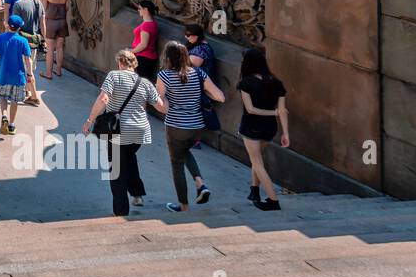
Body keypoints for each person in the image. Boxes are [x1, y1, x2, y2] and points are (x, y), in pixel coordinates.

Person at [81, 49, 163, 216]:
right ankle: (137, 193)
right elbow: (161, 106)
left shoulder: (114, 76)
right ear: (134, 64)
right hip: (140, 132)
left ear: (120, 62)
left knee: (117, 170)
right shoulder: (145, 82)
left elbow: (103, 99)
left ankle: (120, 211)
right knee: (129, 156)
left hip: (118, 131)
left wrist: (90, 120)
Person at [157, 41, 226, 212]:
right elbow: (220, 97)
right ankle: (200, 184)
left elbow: (161, 104)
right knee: (184, 151)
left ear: (167, 57)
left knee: (176, 163)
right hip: (197, 127)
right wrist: (202, 92)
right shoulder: (199, 73)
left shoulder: (164, 75)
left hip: (175, 126)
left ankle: (183, 205)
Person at [237, 48, 290, 210]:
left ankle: (273, 200)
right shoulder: (277, 83)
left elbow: (251, 109)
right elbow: (283, 111)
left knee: (257, 162)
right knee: (258, 159)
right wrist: (286, 133)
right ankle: (254, 190)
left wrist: (273, 112)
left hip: (251, 127)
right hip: (270, 128)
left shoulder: (245, 83)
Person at [0, 15, 34, 136]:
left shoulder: (0, 38)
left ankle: (4, 116)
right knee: (14, 101)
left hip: (4, 74)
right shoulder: (23, 41)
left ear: (7, 25)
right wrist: (30, 74)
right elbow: (28, 60)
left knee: (3, 98)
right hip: (18, 76)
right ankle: (11, 125)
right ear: (19, 28)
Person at [40, 0, 68, 80]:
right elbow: (67, 8)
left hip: (51, 23)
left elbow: (43, 9)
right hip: (62, 22)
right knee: (60, 47)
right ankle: (59, 70)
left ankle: (48, 73)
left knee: (50, 49)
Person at [132, 0, 159, 81]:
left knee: (142, 83)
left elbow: (144, 44)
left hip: (143, 57)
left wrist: (131, 51)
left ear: (146, 10)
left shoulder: (146, 25)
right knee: (146, 82)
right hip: (148, 57)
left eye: (140, 8)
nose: (138, 10)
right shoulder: (153, 23)